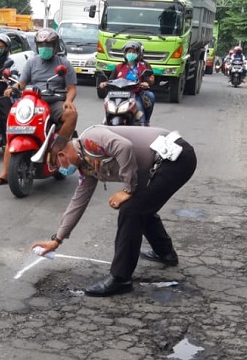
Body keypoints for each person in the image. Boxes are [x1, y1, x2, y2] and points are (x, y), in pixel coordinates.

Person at [31, 125, 197, 297]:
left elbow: (124, 147)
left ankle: (120, 279)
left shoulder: (90, 139)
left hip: (176, 158)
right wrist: (57, 239)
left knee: (131, 210)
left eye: (55, 164)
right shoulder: (86, 166)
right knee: (140, 206)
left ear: (61, 155)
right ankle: (165, 253)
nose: (59, 169)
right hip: (167, 162)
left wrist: (128, 190)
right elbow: (78, 202)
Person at [0, 28, 78, 186]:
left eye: (48, 44)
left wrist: (69, 100)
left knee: (71, 114)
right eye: (41, 44)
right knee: (15, 126)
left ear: (55, 45)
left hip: (53, 101)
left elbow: (71, 88)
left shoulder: (63, 63)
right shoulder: (32, 62)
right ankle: (5, 172)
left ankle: (57, 148)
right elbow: (22, 83)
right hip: (33, 101)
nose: (45, 47)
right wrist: (13, 88)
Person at [98, 40, 155, 125]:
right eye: (129, 51)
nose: (131, 53)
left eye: (134, 52)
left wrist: (146, 83)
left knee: (141, 116)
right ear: (125, 53)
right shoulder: (119, 67)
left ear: (138, 54)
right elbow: (111, 80)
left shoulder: (142, 67)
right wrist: (104, 83)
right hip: (118, 94)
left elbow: (147, 79)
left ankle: (146, 122)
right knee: (107, 115)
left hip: (135, 94)